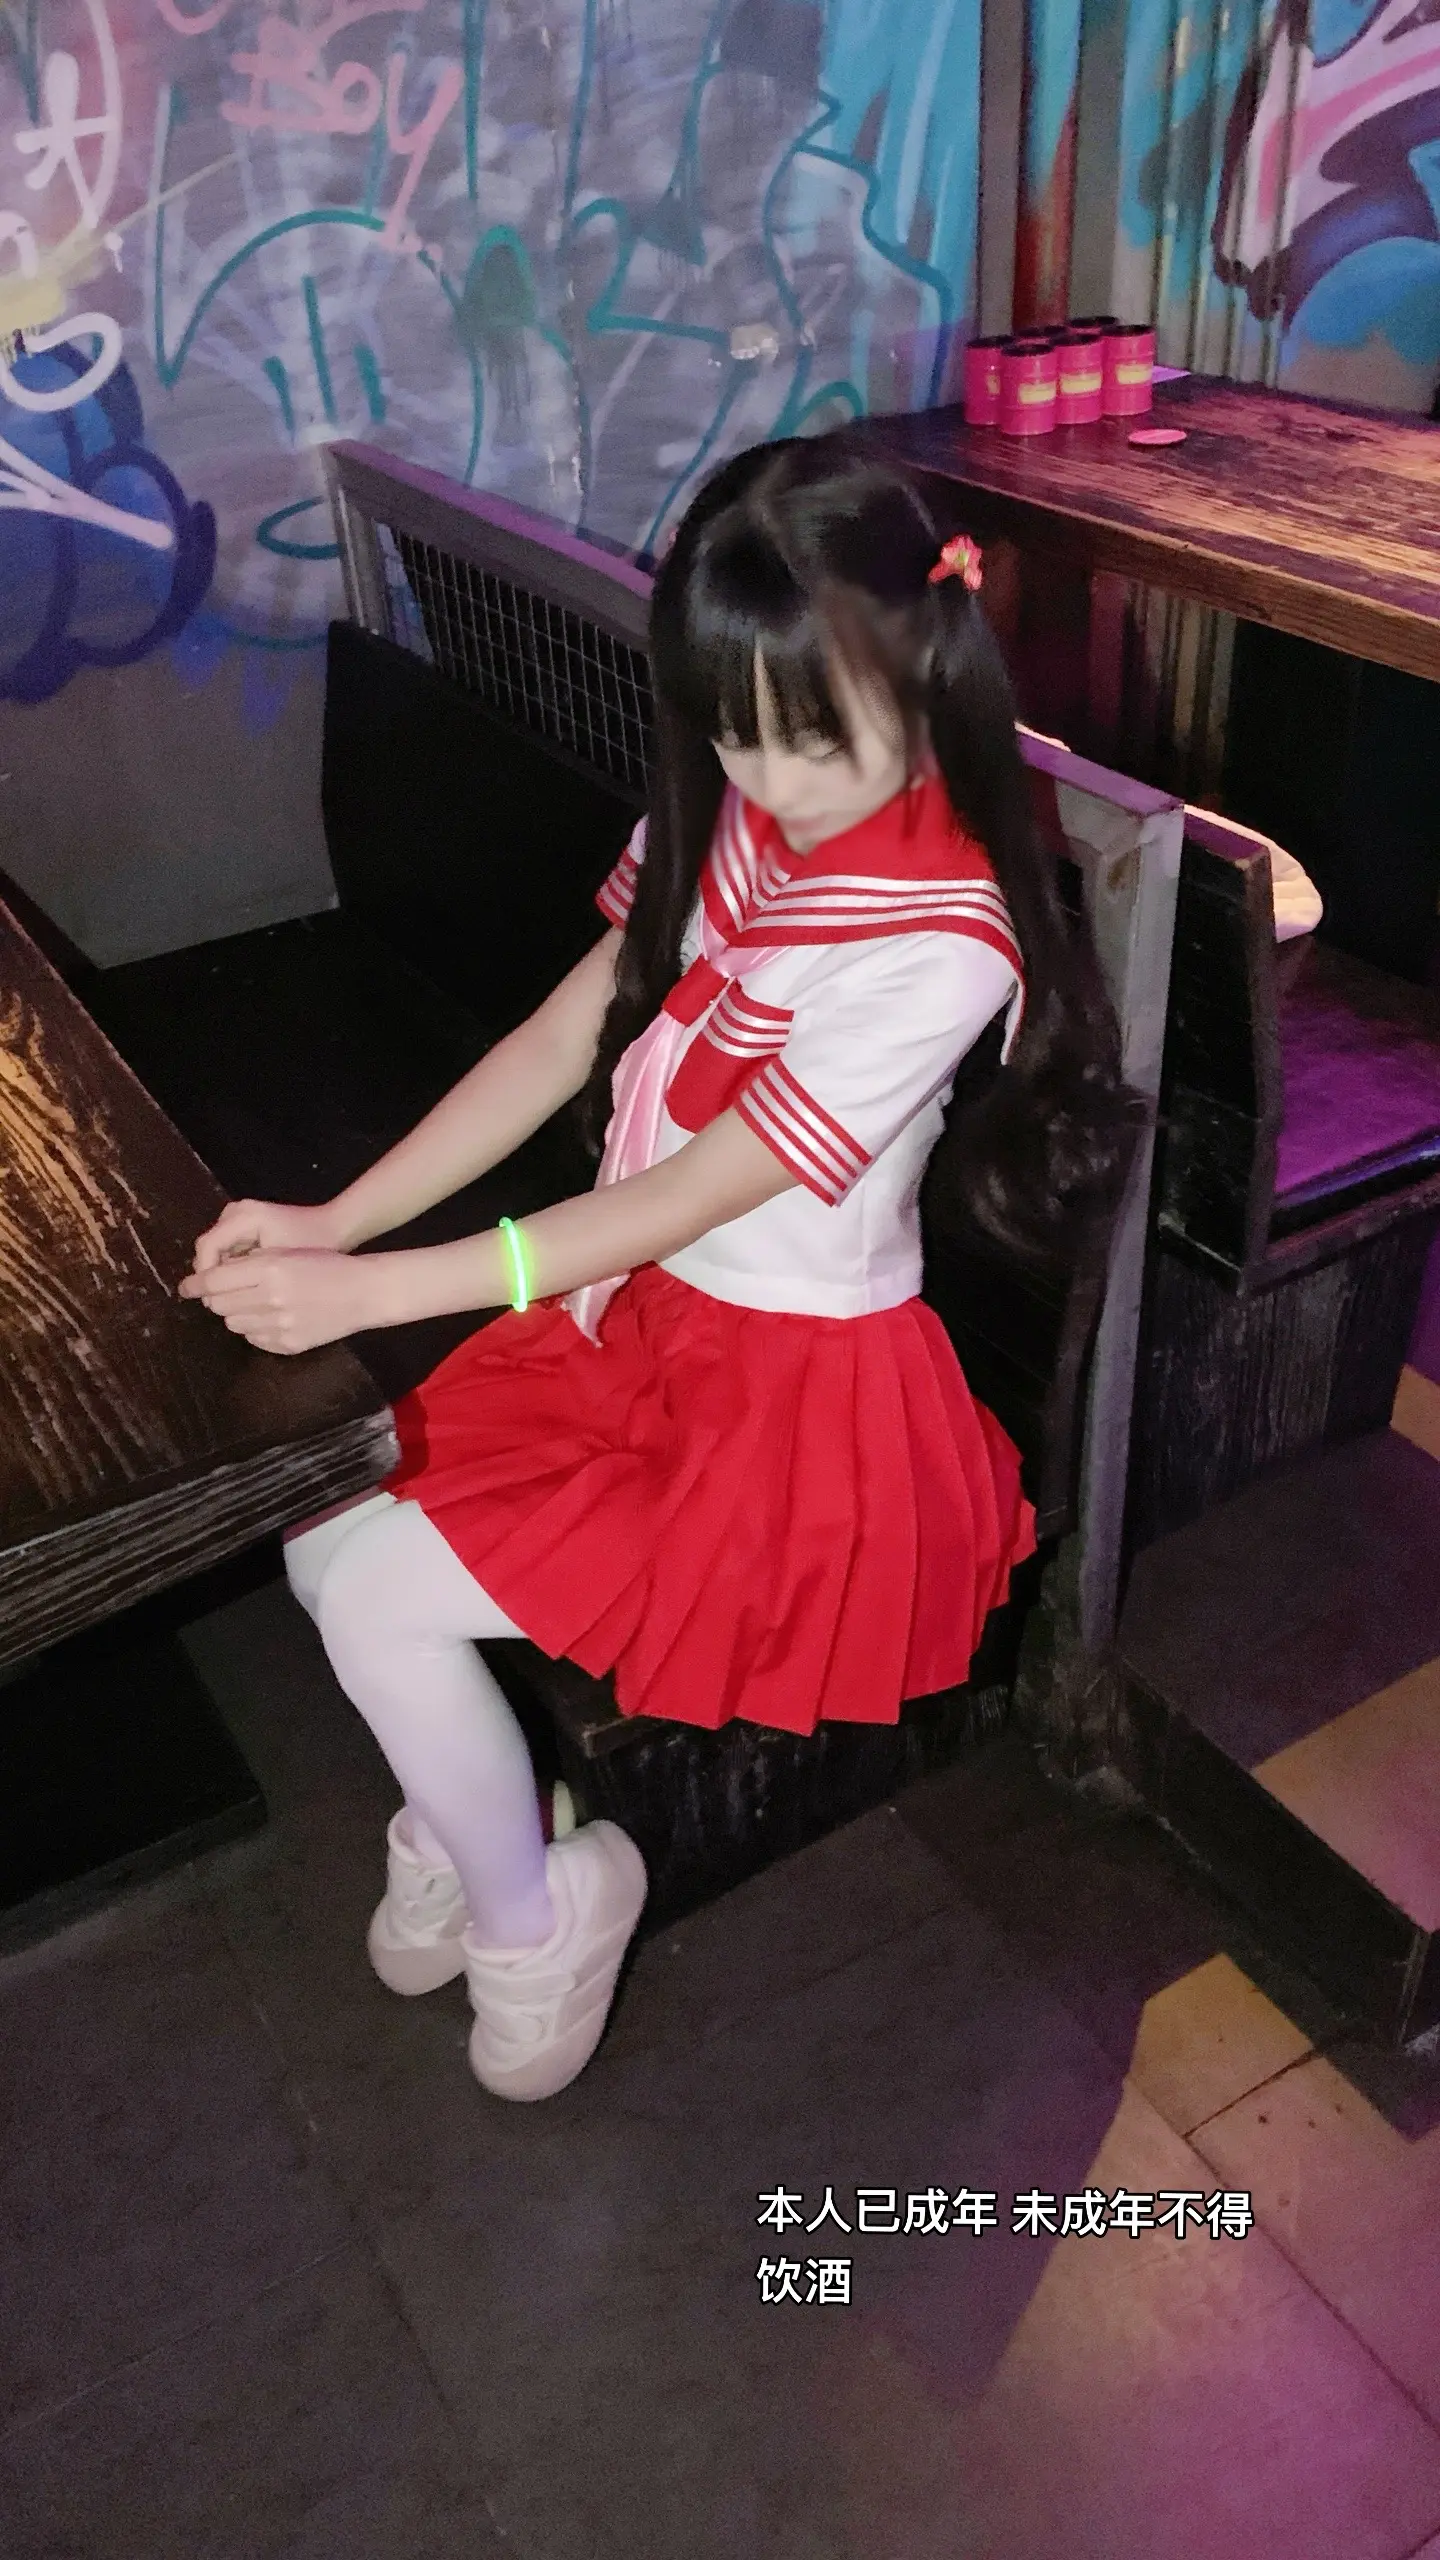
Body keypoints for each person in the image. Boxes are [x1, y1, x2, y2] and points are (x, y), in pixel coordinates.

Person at [178, 435, 1130, 2106]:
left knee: (380, 1598)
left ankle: (544, 1912)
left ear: (927, 665)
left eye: (813, 731)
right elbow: (570, 1032)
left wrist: (377, 1291)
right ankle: (480, 1820)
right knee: (329, 1533)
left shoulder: (946, 935)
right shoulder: (744, 811)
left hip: (791, 1405)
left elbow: (691, 1193)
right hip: (642, 1327)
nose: (771, 777)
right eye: (734, 727)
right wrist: (338, 1224)